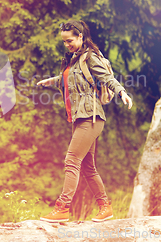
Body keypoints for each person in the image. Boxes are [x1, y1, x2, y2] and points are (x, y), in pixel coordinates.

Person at [36, 20, 133, 223]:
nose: (67, 45)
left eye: (69, 40)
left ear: (80, 36)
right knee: (88, 167)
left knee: (71, 160)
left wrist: (122, 92)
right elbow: (71, 79)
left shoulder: (90, 57)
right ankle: (106, 207)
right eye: (64, 42)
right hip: (80, 118)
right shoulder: (74, 59)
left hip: (92, 117)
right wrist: (52, 81)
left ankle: (62, 208)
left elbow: (107, 78)